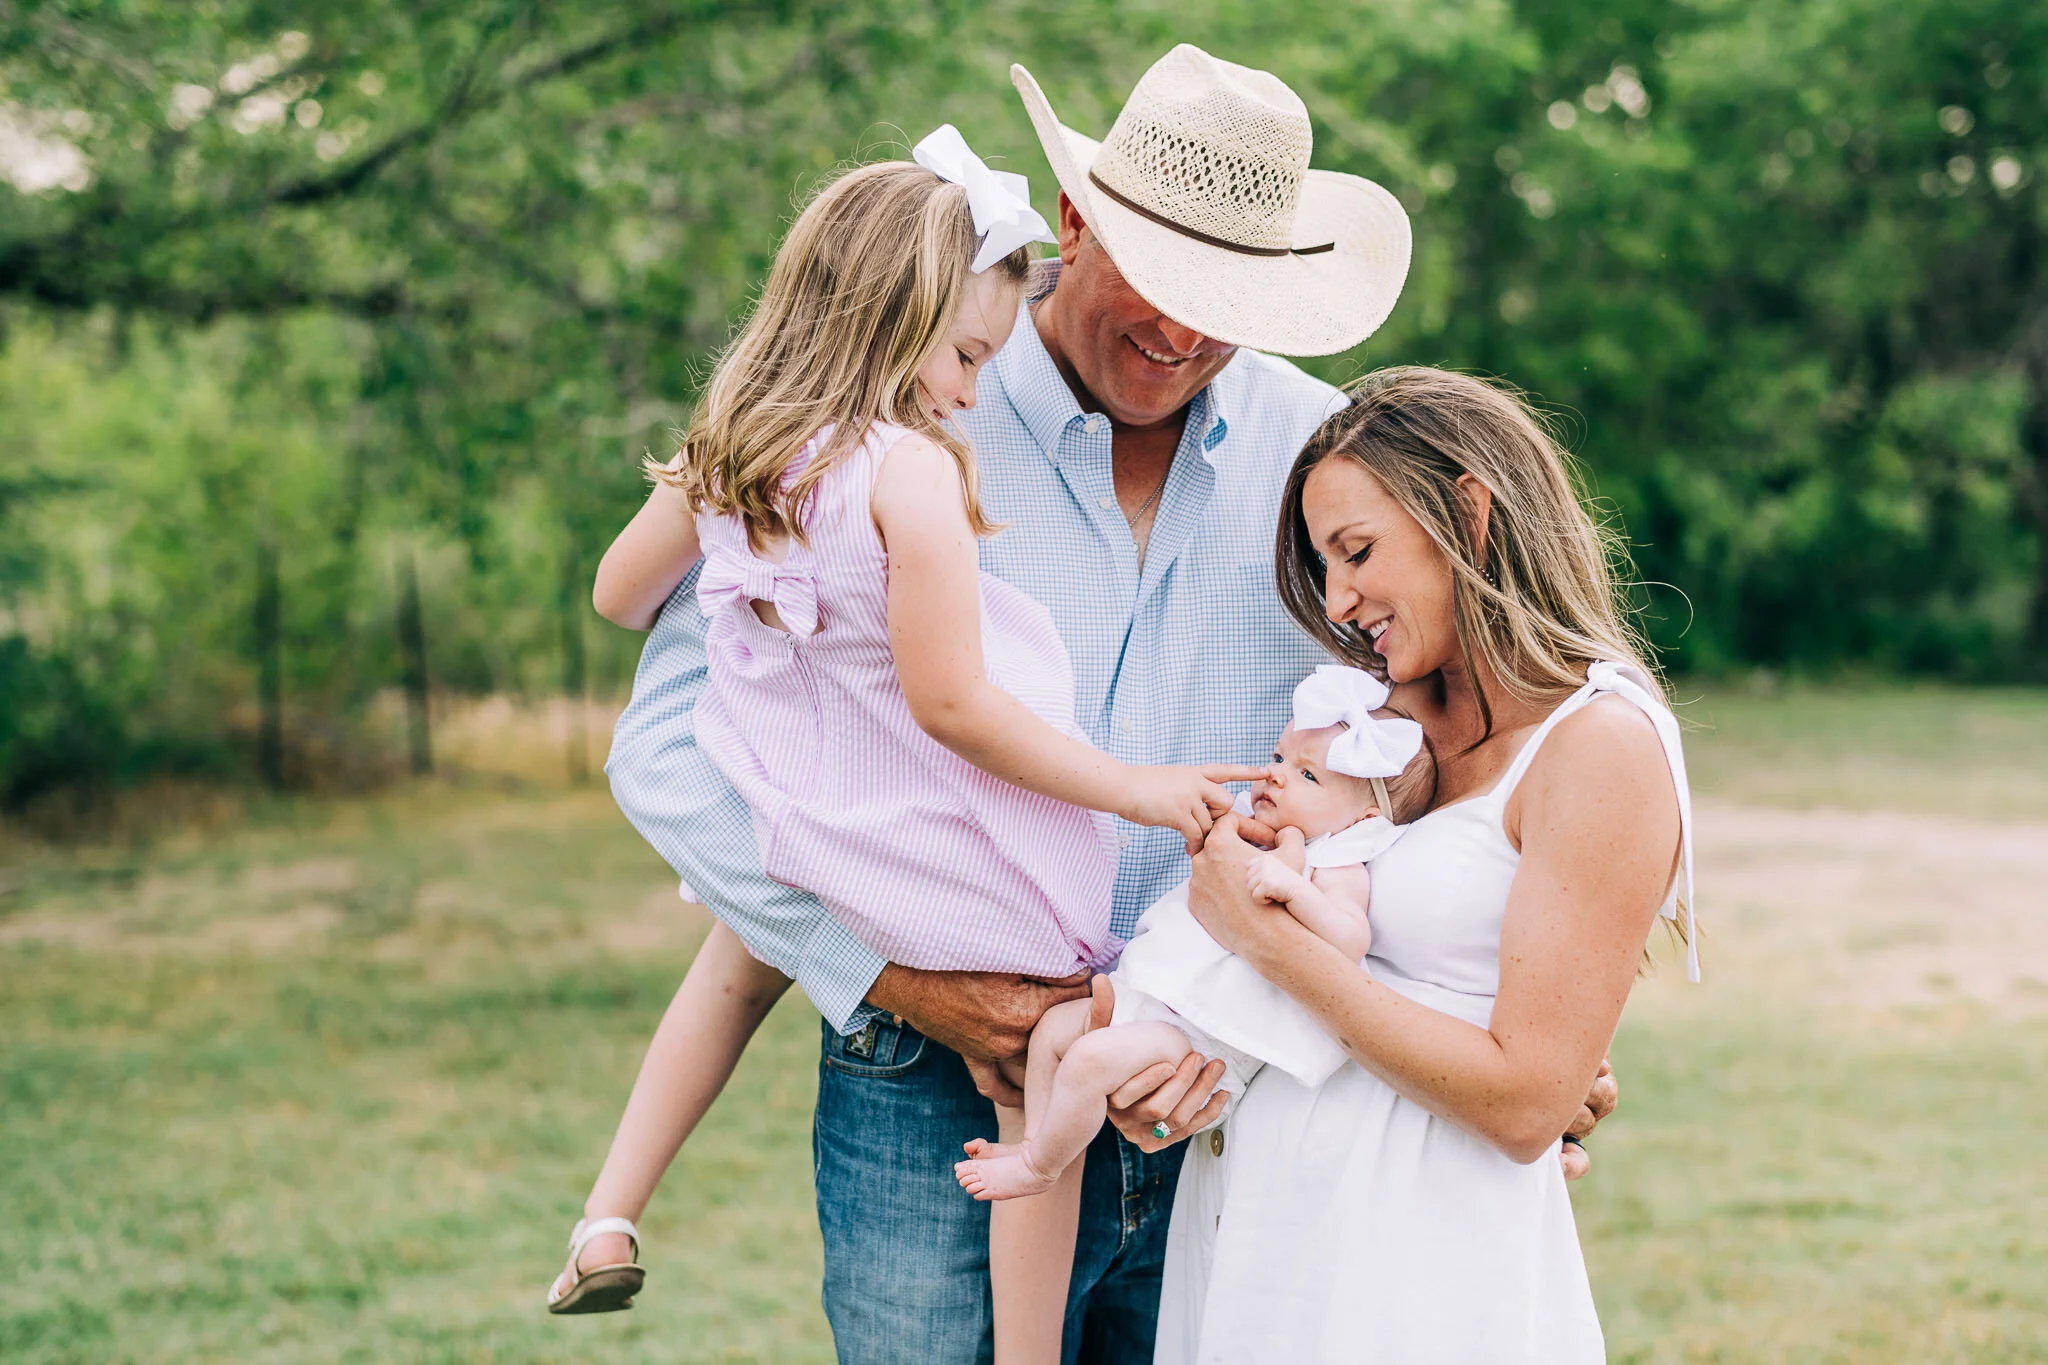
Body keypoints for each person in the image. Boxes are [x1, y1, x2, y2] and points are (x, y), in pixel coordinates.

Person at [605, 44, 1615, 1361]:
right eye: (1162, 280)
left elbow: (1448, 752)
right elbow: (672, 756)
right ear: (1075, 223)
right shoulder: (878, 426)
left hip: (1227, 1070)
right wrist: (898, 979)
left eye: (1229, 298)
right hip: (928, 1084)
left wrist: (1520, 1012)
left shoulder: (1332, 469)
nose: (1185, 332)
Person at [546, 125, 1253, 1314]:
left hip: (802, 810)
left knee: (735, 964)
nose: (975, 389)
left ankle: (608, 1213)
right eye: (967, 355)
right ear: (894, 327)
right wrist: (1136, 789)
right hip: (943, 833)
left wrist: (723, 511)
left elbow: (618, 597)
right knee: (1039, 1059)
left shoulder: (734, 447)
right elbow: (952, 704)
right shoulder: (915, 468)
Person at [1150, 366, 1698, 1362]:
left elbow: (1527, 1101)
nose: (1339, 597)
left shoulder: (1598, 744)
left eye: (1356, 552)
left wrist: (1273, 950)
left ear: (1469, 514)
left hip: (1418, 1255)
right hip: (1263, 1225)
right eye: (1323, 564)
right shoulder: (1375, 724)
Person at [956, 667, 1435, 1364]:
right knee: (1056, 1033)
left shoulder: (1343, 861)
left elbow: (1349, 938)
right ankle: (1041, 1140)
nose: (1275, 777)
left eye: (1307, 777)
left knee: (1087, 1058)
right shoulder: (1272, 836)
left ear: (1362, 815)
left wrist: (1288, 889)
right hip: (1164, 1004)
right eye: (1278, 758)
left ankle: (1039, 1163)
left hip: (1200, 1040)